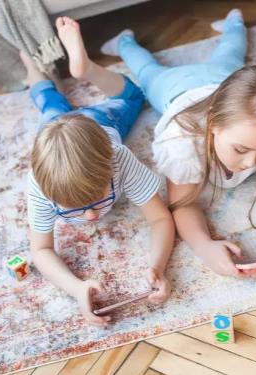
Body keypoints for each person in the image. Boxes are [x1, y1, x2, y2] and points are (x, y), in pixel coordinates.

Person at [102, 9, 256, 278]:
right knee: (147, 71)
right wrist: (205, 246)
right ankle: (125, 42)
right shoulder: (181, 145)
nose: (251, 163)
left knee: (231, 54)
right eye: (241, 150)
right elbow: (183, 203)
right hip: (175, 88)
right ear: (214, 126)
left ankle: (235, 23)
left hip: (223, 77)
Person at [24, 17, 175, 326]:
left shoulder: (117, 156)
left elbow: (161, 217)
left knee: (134, 95)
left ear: (110, 165)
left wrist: (159, 267)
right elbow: (40, 250)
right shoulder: (39, 184)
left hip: (98, 123)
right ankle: (29, 64)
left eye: (97, 201)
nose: (92, 217)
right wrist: (76, 288)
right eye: (78, 208)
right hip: (52, 130)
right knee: (47, 100)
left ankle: (86, 69)